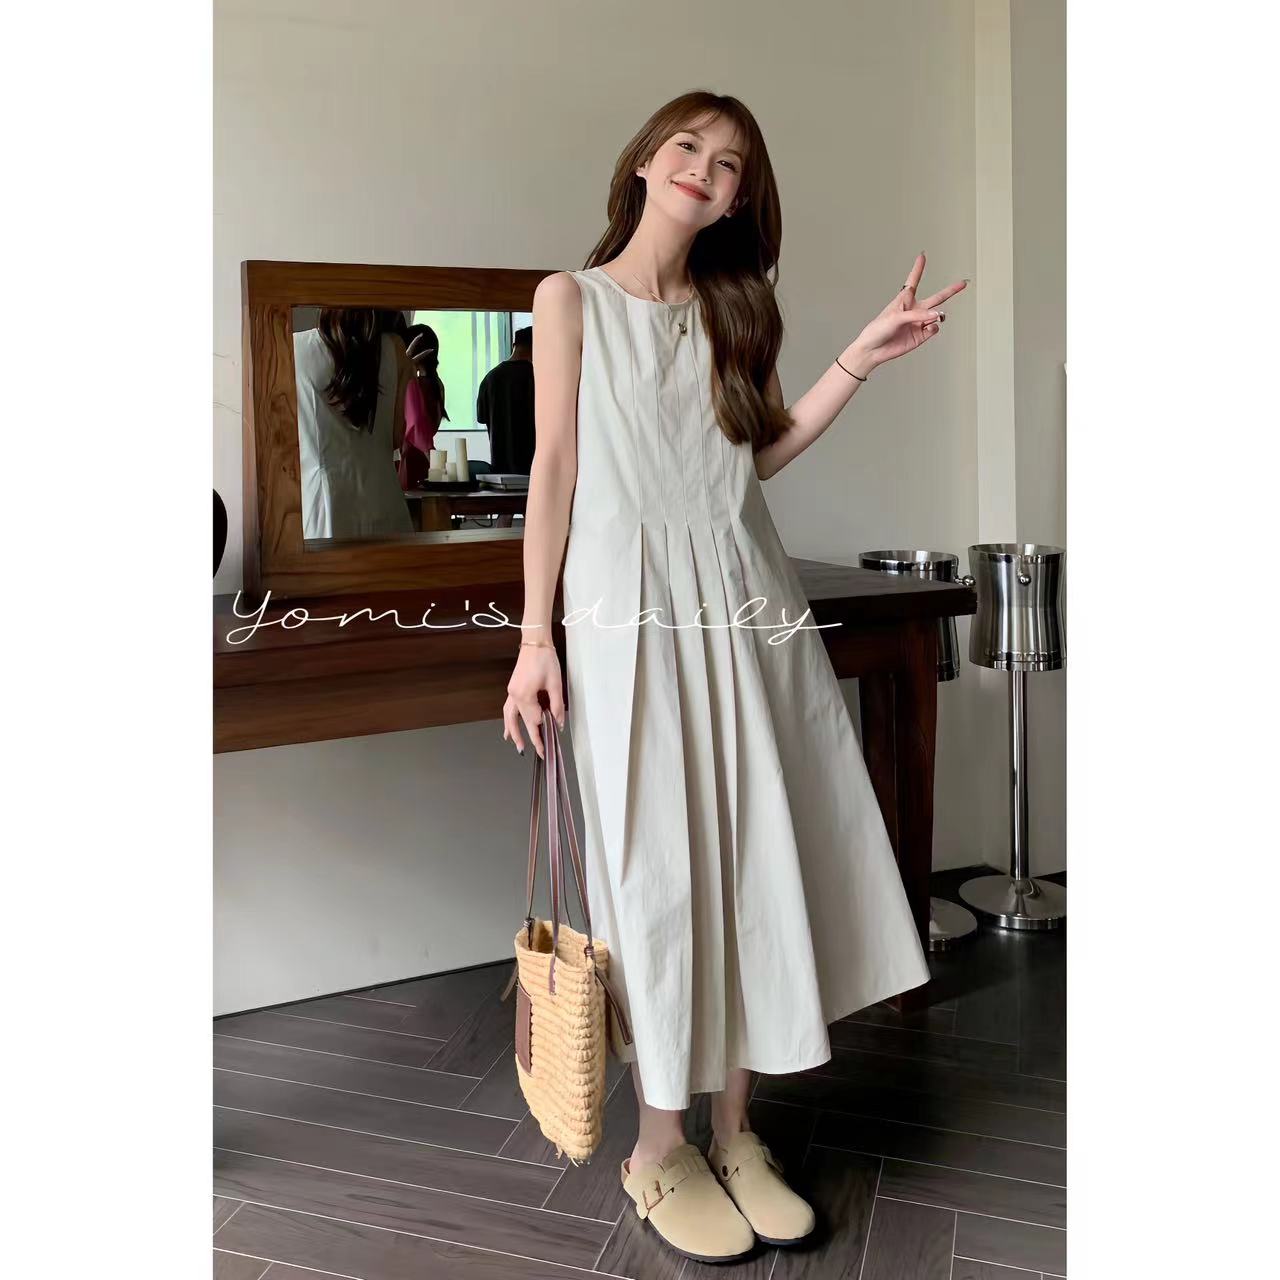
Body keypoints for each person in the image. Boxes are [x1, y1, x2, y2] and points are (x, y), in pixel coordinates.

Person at [500, 91, 967, 1265]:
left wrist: (856, 359)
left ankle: (735, 1128)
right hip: (627, 618)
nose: (704, 171)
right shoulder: (569, 300)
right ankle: (657, 1144)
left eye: (729, 166)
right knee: (658, 870)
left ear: (736, 200)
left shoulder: (729, 306)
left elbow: (750, 459)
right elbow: (552, 468)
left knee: (756, 854)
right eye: (688, 148)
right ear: (644, 159)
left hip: (745, 604)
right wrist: (534, 637)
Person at [294, 308, 416, 538]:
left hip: (326, 502)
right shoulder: (395, 348)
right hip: (383, 496)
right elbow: (396, 437)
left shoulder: (294, 347)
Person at [397, 323, 450, 490]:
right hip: (428, 459)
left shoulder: (413, 384)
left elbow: (416, 423)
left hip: (413, 458)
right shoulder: (437, 384)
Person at [476, 326, 535, 473]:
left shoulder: (490, 378)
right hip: (533, 468)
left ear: (514, 345)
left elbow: (482, 418)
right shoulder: (536, 377)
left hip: (500, 470)